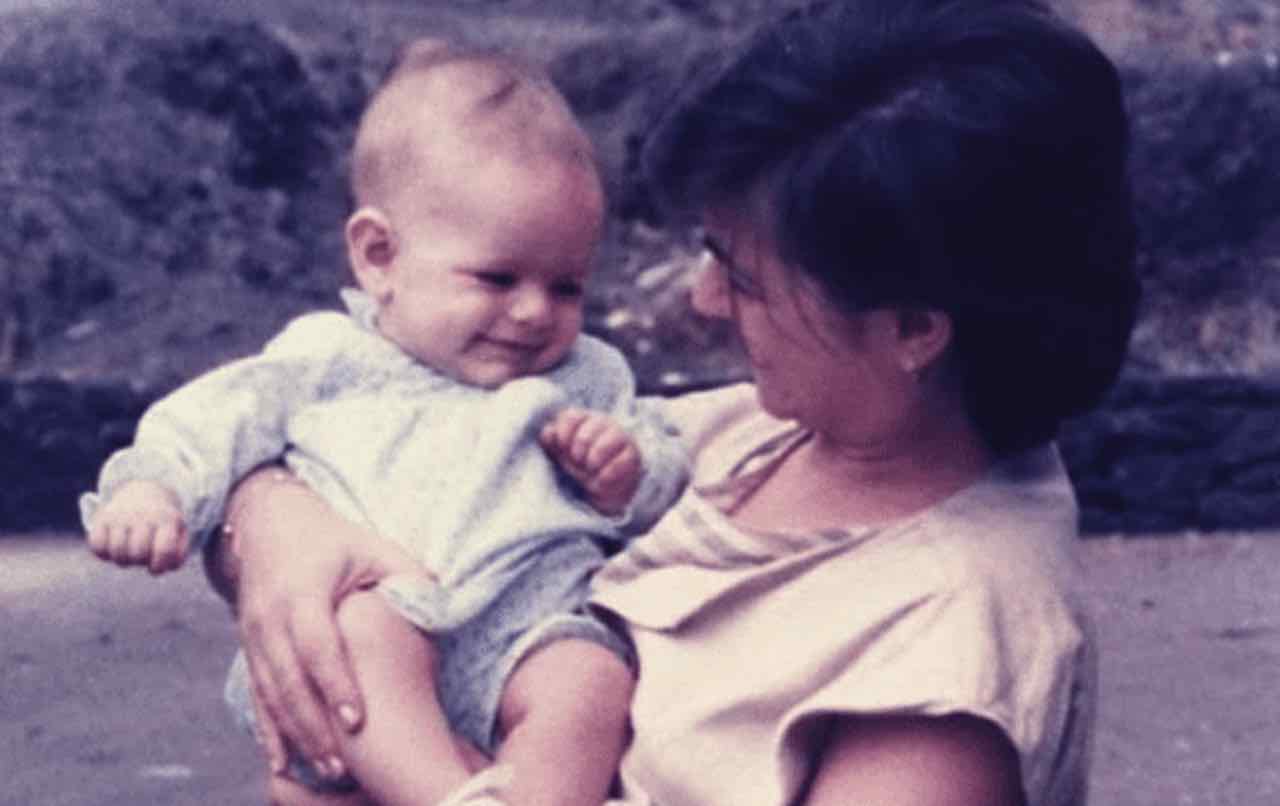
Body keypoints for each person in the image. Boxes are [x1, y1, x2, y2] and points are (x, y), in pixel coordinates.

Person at [206, 0, 1141, 804]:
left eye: (747, 277)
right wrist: (278, 526)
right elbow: (393, 461)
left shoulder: (942, 672)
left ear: (913, 328)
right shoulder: (764, 435)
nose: (702, 298)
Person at [80, 39, 688, 806]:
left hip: (526, 628)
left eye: (567, 287)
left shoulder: (588, 375)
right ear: (378, 256)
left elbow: (665, 467)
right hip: (378, 620)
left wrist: (625, 471)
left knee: (591, 680)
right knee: (359, 638)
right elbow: (209, 422)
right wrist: (151, 492)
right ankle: (446, 794)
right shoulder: (327, 359)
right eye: (497, 277)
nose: (535, 311)